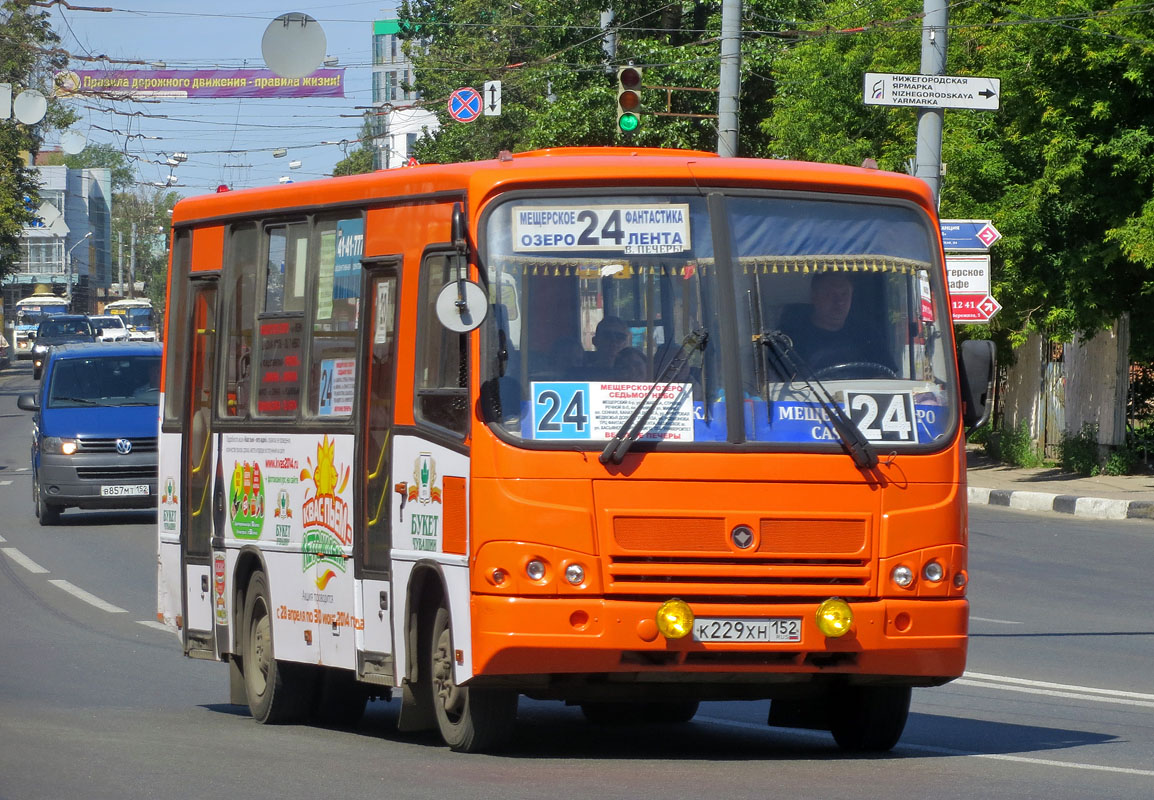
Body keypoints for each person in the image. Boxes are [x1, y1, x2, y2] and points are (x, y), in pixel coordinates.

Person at [779, 271, 893, 377]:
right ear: (814, 296)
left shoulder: (867, 335)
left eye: (844, 294)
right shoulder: (790, 339)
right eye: (830, 294)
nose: (839, 301)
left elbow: (887, 377)